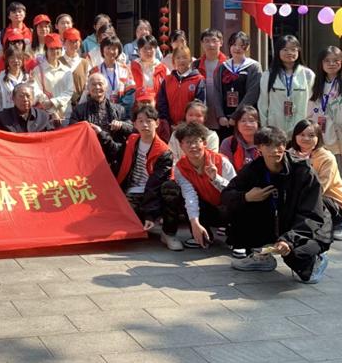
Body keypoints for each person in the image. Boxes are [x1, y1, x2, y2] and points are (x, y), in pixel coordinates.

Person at [222, 126, 331, 284]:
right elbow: (226, 195)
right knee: (238, 205)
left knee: (297, 256)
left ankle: (317, 259)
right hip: (277, 221)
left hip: (309, 226)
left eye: (279, 144)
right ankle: (261, 256)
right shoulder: (253, 169)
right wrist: (246, 197)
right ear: (259, 148)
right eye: (269, 145)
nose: (275, 150)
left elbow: (311, 215)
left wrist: (288, 240)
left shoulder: (303, 172)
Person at [114, 104, 181, 251]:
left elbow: (154, 185)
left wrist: (150, 214)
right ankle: (141, 221)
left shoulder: (164, 152)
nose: (145, 125)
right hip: (132, 192)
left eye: (149, 121)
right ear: (135, 124)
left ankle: (169, 233)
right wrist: (100, 134)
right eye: (140, 121)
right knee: (120, 223)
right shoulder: (132, 140)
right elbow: (115, 152)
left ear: (157, 123)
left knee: (171, 189)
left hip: (154, 195)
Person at [173, 121, 236, 251]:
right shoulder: (180, 167)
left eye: (196, 141)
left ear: (205, 143)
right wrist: (194, 223)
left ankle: (239, 237)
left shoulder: (221, 161)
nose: (193, 146)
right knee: (177, 193)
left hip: (229, 209)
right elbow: (189, 196)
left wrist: (215, 178)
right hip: (208, 209)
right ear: (181, 146)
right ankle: (203, 236)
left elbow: (236, 192)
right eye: (188, 142)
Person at [289, 120, 342, 241]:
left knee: (315, 197)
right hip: (301, 198)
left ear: (318, 138)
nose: (306, 138)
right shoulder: (290, 153)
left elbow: (321, 188)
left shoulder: (326, 157)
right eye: (301, 134)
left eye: (311, 135)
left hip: (331, 202)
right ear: (295, 136)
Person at [69, 72, 133, 168]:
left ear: (106, 87)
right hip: (88, 158)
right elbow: (73, 132)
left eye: (100, 84)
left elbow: (132, 129)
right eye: (93, 84)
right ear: (88, 88)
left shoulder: (119, 109)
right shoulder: (79, 110)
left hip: (113, 158)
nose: (97, 87)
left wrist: (121, 125)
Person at [258, 35, 316, 134]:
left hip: (301, 129)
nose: (289, 53)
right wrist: (265, 128)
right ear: (278, 51)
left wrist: (310, 127)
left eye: (293, 49)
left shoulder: (308, 75)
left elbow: (312, 103)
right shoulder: (268, 75)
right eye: (285, 49)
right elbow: (263, 104)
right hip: (275, 128)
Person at [308, 46, 342, 172]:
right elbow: (309, 111)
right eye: (327, 60)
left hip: (341, 137)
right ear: (321, 63)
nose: (331, 64)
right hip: (321, 137)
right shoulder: (316, 84)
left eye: (336, 60)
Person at [214, 31, 261, 140]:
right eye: (234, 44)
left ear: (247, 47)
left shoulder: (254, 67)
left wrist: (236, 116)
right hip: (225, 119)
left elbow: (252, 93)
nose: (237, 48)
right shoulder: (223, 67)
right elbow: (217, 92)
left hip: (245, 117)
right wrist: (220, 115)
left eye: (241, 45)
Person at [157, 46, 205, 140]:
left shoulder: (198, 80)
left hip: (190, 128)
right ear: (173, 61)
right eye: (178, 58)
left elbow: (199, 105)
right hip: (169, 127)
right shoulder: (167, 80)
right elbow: (162, 103)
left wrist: (184, 124)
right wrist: (167, 122)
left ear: (190, 60)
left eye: (184, 57)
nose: (181, 60)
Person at [32, 33, 74, 124]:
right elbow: (37, 91)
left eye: (57, 48)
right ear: (46, 50)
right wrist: (51, 109)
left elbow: (69, 91)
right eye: (51, 49)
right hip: (46, 115)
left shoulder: (67, 70)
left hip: (65, 114)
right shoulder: (38, 70)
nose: (55, 51)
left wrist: (53, 102)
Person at [89, 36, 135, 112]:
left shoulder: (125, 69)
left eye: (114, 49)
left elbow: (130, 92)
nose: (111, 51)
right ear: (102, 50)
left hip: (121, 111)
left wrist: (120, 109)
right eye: (108, 48)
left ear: (119, 51)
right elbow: (90, 92)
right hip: (99, 111)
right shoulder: (95, 71)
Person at [194, 28, 227, 131]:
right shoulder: (195, 65)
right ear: (202, 44)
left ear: (221, 42)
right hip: (201, 115)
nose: (210, 44)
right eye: (207, 41)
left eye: (214, 41)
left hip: (223, 116)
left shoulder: (228, 65)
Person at [0, 46, 38, 120]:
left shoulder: (28, 78)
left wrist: (31, 84)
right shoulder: (0, 79)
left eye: (19, 58)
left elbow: (35, 99)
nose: (16, 60)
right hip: (6, 119)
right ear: (7, 60)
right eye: (12, 58)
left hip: (26, 118)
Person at [219, 105, 261, 172]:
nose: (247, 124)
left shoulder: (265, 142)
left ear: (258, 124)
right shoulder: (229, 143)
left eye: (251, 121)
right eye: (243, 121)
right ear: (237, 124)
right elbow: (227, 171)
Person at [130, 35, 168, 102]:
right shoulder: (131, 67)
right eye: (145, 48)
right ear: (139, 51)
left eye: (150, 48)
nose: (148, 51)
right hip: (137, 105)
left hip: (157, 105)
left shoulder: (163, 69)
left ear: (156, 50)